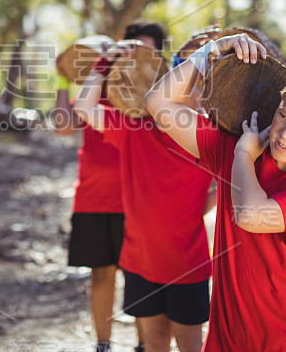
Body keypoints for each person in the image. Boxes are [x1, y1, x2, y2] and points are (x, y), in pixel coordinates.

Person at [144, 33, 286, 351]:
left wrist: (243, 155)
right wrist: (213, 49)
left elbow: (252, 214)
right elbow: (157, 103)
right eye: (284, 116)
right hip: (226, 343)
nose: (285, 134)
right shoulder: (235, 145)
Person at [72, 22, 214, 352]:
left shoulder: (208, 135)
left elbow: (228, 183)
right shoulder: (137, 127)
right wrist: (104, 63)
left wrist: (195, 208)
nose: (182, 91)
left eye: (194, 84)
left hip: (187, 265)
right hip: (140, 261)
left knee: (190, 345)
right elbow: (83, 108)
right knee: (154, 343)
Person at [54, 20, 165, 352]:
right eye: (135, 47)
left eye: (149, 50)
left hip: (140, 201)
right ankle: (104, 345)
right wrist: (63, 77)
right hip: (95, 197)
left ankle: (145, 345)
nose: (141, 55)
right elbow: (62, 127)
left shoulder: (161, 97)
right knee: (102, 274)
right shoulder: (98, 88)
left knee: (140, 277)